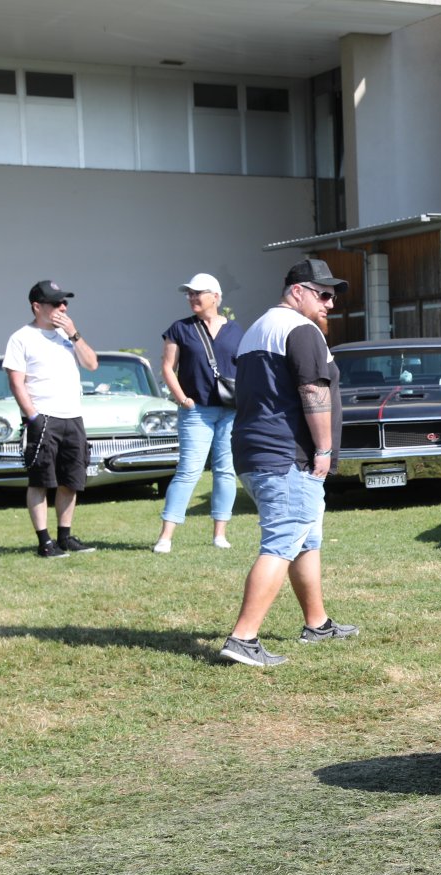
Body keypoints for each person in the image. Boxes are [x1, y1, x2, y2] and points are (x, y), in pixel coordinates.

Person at [219, 258, 358, 667]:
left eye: (333, 296)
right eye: (324, 294)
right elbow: (313, 390)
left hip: (255, 450)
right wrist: (324, 448)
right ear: (297, 291)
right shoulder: (300, 329)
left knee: (305, 540)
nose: (330, 303)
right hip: (286, 456)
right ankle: (243, 638)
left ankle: (317, 623)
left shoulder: (257, 329)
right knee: (282, 542)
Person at [4, 280, 99, 558]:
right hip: (43, 417)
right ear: (37, 306)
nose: (63, 307)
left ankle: (65, 537)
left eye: (64, 302)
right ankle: (44, 542)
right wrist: (33, 416)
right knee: (41, 481)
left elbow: (92, 364)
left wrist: (74, 334)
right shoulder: (21, 338)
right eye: (56, 303)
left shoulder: (67, 336)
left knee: (71, 480)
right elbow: (16, 382)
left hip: (72, 417)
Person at [152, 273, 242, 553]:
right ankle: (165, 536)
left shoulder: (236, 330)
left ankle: (220, 534)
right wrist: (182, 399)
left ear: (215, 297)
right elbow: (167, 367)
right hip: (196, 411)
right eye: (189, 293)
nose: (192, 297)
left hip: (230, 411)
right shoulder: (179, 329)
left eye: (197, 293)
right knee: (188, 472)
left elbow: (246, 367)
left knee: (226, 472)